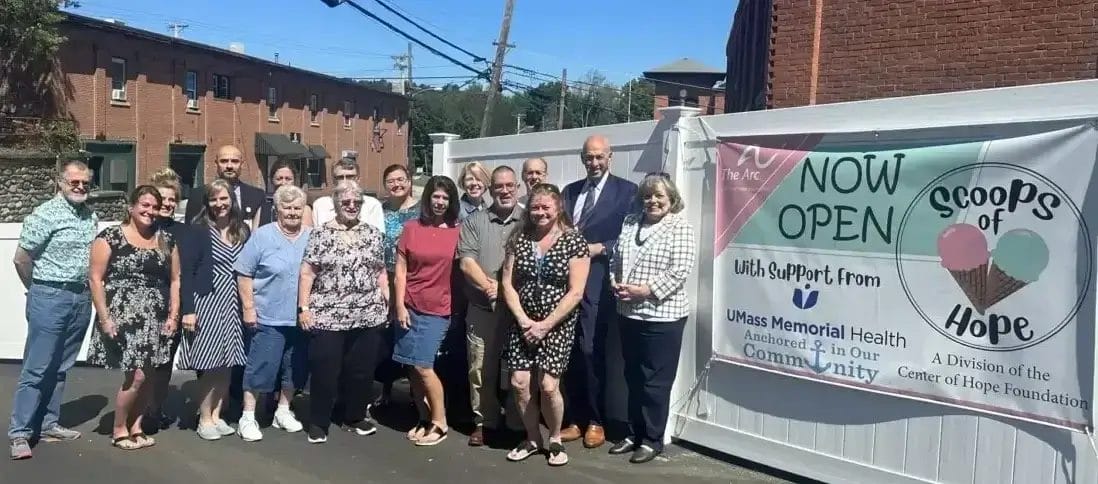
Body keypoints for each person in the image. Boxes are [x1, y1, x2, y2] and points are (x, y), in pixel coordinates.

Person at [8, 161, 98, 460]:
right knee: (37, 367)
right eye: (74, 182)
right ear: (60, 182)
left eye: (85, 182)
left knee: (61, 367)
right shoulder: (45, 214)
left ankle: (47, 424)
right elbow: (22, 259)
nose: (81, 187)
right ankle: (20, 432)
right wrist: (38, 290)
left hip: (80, 298)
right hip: (49, 295)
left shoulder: (90, 216)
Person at [607, 174, 696, 464]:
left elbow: (680, 271)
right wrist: (614, 281)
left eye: (659, 196)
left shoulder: (679, 227)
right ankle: (633, 433)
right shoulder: (631, 222)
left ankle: (652, 439)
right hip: (628, 312)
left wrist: (645, 291)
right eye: (648, 196)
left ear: (671, 199)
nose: (653, 201)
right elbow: (615, 258)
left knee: (655, 382)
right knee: (632, 376)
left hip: (662, 316)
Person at [501, 183, 590, 466]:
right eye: (535, 207)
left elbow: (576, 291)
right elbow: (507, 282)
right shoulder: (519, 238)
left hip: (557, 323)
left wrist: (546, 324)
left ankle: (555, 438)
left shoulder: (575, 241)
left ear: (558, 208)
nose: (540, 213)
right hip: (523, 321)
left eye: (545, 207)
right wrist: (523, 319)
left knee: (549, 386)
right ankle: (532, 437)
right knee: (519, 382)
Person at [86, 186, 181, 450]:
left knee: (149, 374)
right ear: (131, 207)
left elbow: (175, 280)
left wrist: (173, 315)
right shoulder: (110, 237)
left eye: (154, 207)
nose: (149, 211)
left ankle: (136, 426)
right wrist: (105, 318)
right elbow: (95, 279)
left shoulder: (165, 239)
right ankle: (119, 429)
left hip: (157, 318)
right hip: (124, 317)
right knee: (137, 375)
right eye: (144, 205)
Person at [559, 135, 638, 448]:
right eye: (588, 158)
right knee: (568, 351)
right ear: (582, 158)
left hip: (598, 284)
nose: (593, 163)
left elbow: (632, 238)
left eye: (599, 157)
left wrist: (600, 248)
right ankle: (575, 419)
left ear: (610, 157)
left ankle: (596, 420)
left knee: (591, 350)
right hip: (565, 284)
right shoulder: (570, 192)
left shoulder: (627, 192)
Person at [298, 182, 389, 444]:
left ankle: (355, 416)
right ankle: (318, 421)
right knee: (325, 370)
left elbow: (380, 271)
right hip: (328, 314)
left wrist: (387, 300)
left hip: (367, 314)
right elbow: (307, 273)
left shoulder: (372, 233)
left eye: (356, 202)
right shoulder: (321, 234)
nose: (351, 206)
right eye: (346, 202)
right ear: (336, 204)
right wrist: (304, 308)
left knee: (361, 371)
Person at [234, 184, 311, 442]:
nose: (292, 212)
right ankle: (247, 416)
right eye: (287, 207)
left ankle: (283, 410)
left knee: (295, 367)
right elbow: (244, 273)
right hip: (268, 315)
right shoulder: (263, 236)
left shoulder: (312, 237)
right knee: (261, 367)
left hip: (300, 317)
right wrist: (248, 308)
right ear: (277, 209)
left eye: (297, 208)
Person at [177, 179, 250, 441]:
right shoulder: (197, 230)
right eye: (214, 199)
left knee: (227, 362)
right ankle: (204, 417)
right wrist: (188, 309)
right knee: (209, 362)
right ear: (206, 203)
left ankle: (218, 415)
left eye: (224, 199)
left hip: (234, 301)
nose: (220, 204)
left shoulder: (242, 230)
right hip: (207, 299)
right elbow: (186, 272)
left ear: (232, 200)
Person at [457, 166, 523, 447]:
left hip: (522, 311)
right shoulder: (475, 221)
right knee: (481, 367)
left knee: (521, 369)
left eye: (509, 185)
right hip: (483, 308)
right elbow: (466, 261)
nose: (504, 191)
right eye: (499, 187)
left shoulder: (531, 220)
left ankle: (519, 422)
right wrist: (491, 287)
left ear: (517, 187)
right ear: (490, 189)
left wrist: (510, 293)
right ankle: (485, 422)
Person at [394, 176, 462, 447]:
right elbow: (401, 270)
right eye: (436, 196)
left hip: (438, 308)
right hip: (409, 305)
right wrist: (399, 304)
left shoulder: (459, 231)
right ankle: (423, 418)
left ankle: (439, 422)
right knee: (411, 365)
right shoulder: (411, 228)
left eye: (445, 198)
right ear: (428, 199)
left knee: (424, 365)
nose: (440, 202)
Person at [145, 169, 205, 433]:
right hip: (145, 304)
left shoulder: (185, 232)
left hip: (173, 306)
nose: (168, 204)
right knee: (143, 364)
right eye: (163, 198)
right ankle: (139, 411)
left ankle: (154, 410)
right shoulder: (142, 228)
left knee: (164, 362)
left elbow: (189, 272)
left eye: (173, 200)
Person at [375, 164, 419, 406]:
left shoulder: (421, 210)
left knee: (410, 330)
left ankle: (416, 387)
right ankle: (386, 388)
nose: (397, 184)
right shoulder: (379, 211)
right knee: (386, 334)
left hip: (413, 278)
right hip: (385, 277)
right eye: (391, 181)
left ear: (409, 181)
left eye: (401, 179)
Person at [184, 145, 265, 224]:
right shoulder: (197, 195)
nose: (229, 166)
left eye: (234, 161)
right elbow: (189, 230)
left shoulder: (257, 196)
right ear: (216, 164)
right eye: (224, 161)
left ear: (242, 164)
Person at [312, 158, 384, 231]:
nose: (345, 181)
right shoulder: (320, 205)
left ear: (358, 179)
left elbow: (378, 236)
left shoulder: (372, 204)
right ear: (333, 180)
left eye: (350, 177)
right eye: (340, 177)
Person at [254, 160, 314, 228]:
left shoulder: (303, 209)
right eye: (279, 179)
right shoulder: (262, 209)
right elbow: (255, 236)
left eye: (288, 179)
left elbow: (306, 236)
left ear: (294, 181)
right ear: (271, 180)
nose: (283, 183)